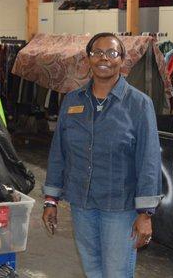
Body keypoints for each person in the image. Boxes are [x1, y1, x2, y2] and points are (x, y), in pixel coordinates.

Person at [42, 32, 162, 278]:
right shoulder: (73, 101)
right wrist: (51, 200)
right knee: (93, 269)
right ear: (88, 59)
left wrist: (145, 213)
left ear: (123, 60)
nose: (103, 58)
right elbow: (59, 152)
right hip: (81, 203)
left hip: (120, 207)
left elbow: (148, 160)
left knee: (116, 272)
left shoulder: (139, 104)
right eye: (97, 53)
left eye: (112, 53)